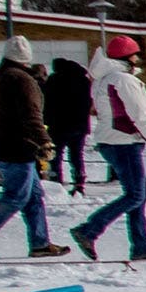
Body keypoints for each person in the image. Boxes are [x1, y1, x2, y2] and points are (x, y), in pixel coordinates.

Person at [0, 38, 70, 260]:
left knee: (34, 195)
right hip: (16, 146)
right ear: (26, 58)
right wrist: (44, 141)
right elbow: (32, 115)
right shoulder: (22, 80)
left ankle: (40, 242)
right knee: (16, 195)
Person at [72, 35, 146, 262]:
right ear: (128, 58)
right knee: (136, 195)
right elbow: (140, 116)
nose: (138, 58)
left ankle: (141, 245)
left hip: (111, 141)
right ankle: (89, 230)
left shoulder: (103, 79)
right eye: (135, 54)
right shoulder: (124, 80)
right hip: (123, 142)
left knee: (139, 195)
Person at [43, 57, 92, 194]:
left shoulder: (54, 80)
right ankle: (79, 181)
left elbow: (48, 103)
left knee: (56, 155)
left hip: (58, 126)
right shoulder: (84, 80)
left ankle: (56, 181)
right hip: (80, 125)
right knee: (77, 155)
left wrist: (46, 121)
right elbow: (88, 102)